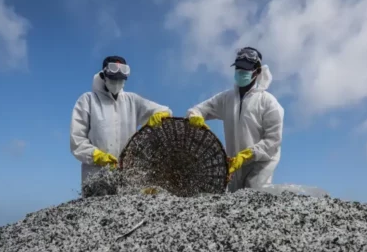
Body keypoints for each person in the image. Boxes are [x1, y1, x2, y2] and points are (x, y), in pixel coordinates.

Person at [186, 47, 284, 192]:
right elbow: (197, 110)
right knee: (234, 206)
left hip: (260, 165)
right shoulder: (226, 99)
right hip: (233, 165)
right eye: (238, 68)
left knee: (254, 200)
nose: (240, 72)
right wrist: (196, 118)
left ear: (256, 72)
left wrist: (248, 154)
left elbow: (273, 140)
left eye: (245, 69)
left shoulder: (269, 103)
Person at [70, 56, 172, 186]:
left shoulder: (132, 101)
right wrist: (95, 155)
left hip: (128, 177)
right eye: (113, 79)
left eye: (120, 80)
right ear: (103, 76)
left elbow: (165, 111)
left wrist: (159, 115)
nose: (117, 83)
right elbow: (77, 141)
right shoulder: (88, 101)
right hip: (95, 177)